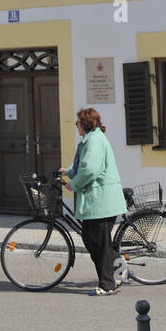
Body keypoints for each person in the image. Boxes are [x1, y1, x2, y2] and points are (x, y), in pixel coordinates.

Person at [59, 107, 126, 295]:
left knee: (99, 243)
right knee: (92, 240)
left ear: (85, 124)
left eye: (78, 123)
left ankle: (107, 285)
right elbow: (83, 164)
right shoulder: (90, 139)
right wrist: (68, 171)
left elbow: (90, 170)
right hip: (97, 202)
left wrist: (74, 184)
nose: (76, 126)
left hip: (101, 201)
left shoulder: (94, 140)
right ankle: (120, 271)